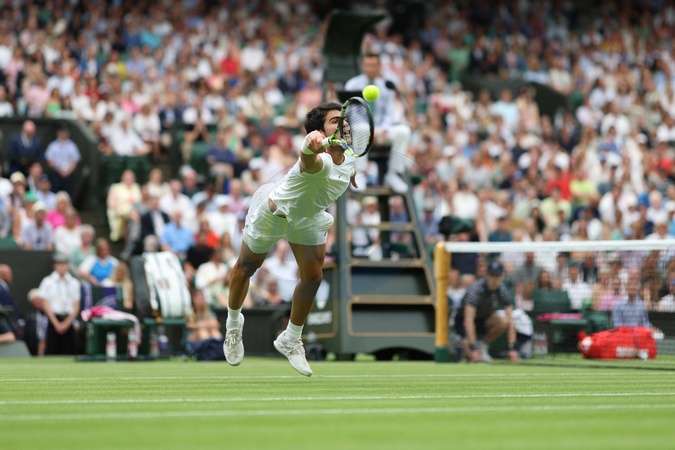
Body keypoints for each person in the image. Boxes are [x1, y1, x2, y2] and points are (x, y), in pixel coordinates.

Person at [224, 101, 358, 376]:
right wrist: (309, 146)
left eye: (343, 119)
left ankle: (290, 338)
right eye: (335, 121)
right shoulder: (319, 162)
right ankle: (233, 324)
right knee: (245, 268)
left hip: (308, 217)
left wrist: (351, 173)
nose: (343, 123)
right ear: (320, 131)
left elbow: (347, 167)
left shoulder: (350, 156)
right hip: (275, 215)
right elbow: (309, 158)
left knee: (313, 278)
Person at [344, 53, 412, 193]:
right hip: (360, 131)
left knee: (404, 131)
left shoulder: (385, 86)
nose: (370, 68)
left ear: (379, 66)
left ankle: (393, 174)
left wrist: (384, 130)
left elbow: (389, 113)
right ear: (363, 66)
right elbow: (351, 115)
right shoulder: (352, 85)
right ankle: (359, 173)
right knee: (361, 128)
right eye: (367, 65)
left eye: (373, 65)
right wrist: (371, 130)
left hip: (381, 131)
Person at [453, 261, 521, 363]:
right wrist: (473, 348)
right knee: (472, 358)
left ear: (502, 277)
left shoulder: (503, 291)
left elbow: (510, 320)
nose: (494, 279)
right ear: (486, 275)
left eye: (497, 276)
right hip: (463, 323)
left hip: (484, 320)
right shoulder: (475, 290)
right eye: (491, 275)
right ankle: (465, 346)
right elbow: (468, 320)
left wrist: (512, 348)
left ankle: (482, 345)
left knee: (503, 321)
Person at [38, 254, 81, 355]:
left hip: (68, 320)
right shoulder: (47, 282)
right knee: (52, 350)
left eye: (63, 264)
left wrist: (66, 323)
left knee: (69, 351)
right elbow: (45, 304)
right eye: (59, 264)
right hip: (53, 320)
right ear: (55, 265)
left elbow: (76, 306)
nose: (61, 267)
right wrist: (56, 323)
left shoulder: (74, 283)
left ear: (67, 266)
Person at [44, 124, 81, 195]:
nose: (63, 134)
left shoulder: (72, 146)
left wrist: (67, 172)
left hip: (68, 175)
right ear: (58, 133)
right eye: (62, 132)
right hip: (56, 174)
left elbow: (75, 161)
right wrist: (59, 171)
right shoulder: (53, 146)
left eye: (65, 132)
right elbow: (49, 160)